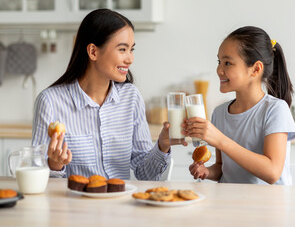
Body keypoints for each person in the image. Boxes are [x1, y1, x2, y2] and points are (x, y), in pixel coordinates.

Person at [31, 9, 184, 180]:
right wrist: (55, 165)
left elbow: (144, 174)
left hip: (121, 203)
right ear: (93, 52)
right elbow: (37, 177)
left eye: (131, 49)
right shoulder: (50, 101)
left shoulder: (130, 97)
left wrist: (162, 146)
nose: (130, 58)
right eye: (122, 49)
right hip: (74, 205)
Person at [185, 26, 295, 185]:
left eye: (228, 63)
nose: (219, 70)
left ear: (255, 69)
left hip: (268, 205)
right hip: (229, 201)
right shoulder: (220, 112)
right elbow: (222, 167)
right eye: (219, 61)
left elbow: (272, 172)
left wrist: (220, 139)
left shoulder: (275, 110)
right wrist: (207, 171)